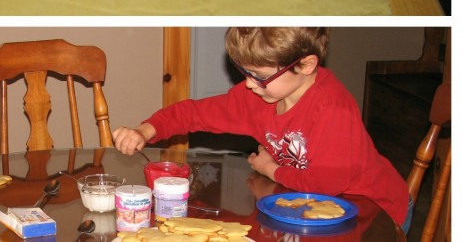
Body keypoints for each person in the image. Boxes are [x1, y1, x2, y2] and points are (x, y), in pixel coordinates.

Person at [112, 27, 413, 233]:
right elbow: (195, 113)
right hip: (309, 206)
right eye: (245, 72)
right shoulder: (260, 96)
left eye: (260, 76)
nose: (249, 84)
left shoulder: (333, 109)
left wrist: (271, 169)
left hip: (373, 210)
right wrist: (146, 130)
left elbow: (323, 185)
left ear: (306, 65)